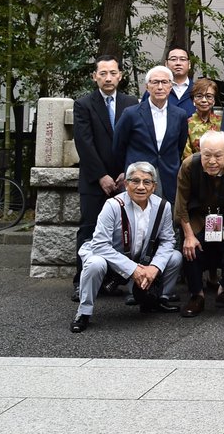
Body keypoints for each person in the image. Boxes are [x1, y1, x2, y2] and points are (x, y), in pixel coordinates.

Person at [71, 162, 182, 332]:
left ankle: (156, 300)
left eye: (147, 182)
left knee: (175, 257)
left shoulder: (163, 207)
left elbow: (168, 241)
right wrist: (132, 269)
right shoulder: (113, 205)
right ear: (126, 184)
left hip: (141, 258)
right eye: (135, 181)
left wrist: (154, 267)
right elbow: (100, 245)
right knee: (95, 263)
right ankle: (84, 313)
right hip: (109, 257)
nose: (141, 187)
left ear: (154, 186)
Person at [71, 54, 138, 301]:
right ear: (94, 77)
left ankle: (114, 279)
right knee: (89, 231)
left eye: (112, 73)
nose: (108, 78)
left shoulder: (131, 103)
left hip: (124, 179)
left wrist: (125, 172)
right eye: (103, 73)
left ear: (120, 76)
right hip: (93, 180)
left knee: (123, 233)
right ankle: (81, 282)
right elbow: (84, 143)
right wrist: (101, 176)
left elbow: (135, 139)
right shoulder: (84, 104)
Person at [174, 130, 224, 316]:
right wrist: (189, 236)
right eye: (207, 155)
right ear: (200, 151)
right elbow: (181, 204)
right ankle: (196, 294)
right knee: (190, 246)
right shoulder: (189, 165)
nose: (212, 161)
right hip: (199, 217)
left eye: (218, 156)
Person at [112, 65, 189, 207]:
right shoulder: (131, 113)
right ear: (147, 87)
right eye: (155, 82)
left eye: (165, 82)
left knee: (165, 219)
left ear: (171, 87)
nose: (160, 87)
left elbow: (179, 146)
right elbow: (118, 146)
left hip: (168, 175)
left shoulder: (180, 115)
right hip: (138, 176)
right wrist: (123, 170)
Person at [144, 47, 195, 114]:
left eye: (182, 59)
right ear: (166, 64)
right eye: (173, 59)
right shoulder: (154, 90)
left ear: (189, 64)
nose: (178, 63)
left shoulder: (197, 90)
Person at [182, 77, 222, 160]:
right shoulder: (186, 124)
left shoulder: (222, 121)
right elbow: (186, 155)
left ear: (214, 100)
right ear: (193, 100)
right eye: (199, 96)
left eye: (209, 96)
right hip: (195, 168)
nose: (204, 100)